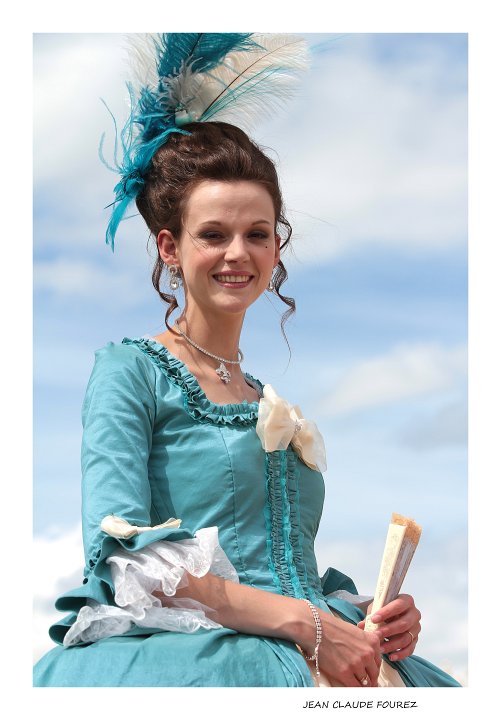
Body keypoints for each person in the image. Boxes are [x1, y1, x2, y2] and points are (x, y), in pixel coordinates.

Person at [33, 33, 460, 688]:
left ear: (276, 247)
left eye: (256, 233)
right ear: (170, 248)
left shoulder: (267, 400)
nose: (238, 253)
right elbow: (125, 559)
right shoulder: (129, 371)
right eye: (213, 234)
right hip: (202, 659)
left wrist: (369, 614)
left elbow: (283, 567)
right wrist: (305, 624)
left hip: (305, 639)